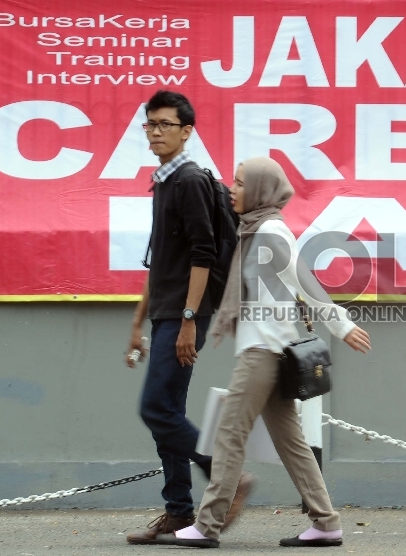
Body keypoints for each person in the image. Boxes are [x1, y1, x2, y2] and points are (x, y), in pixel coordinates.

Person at [155, 157, 372, 549]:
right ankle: (325, 522)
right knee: (291, 443)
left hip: (263, 352)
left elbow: (304, 281)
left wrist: (341, 324)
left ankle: (206, 526)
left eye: (239, 183)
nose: (232, 189)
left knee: (228, 436)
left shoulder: (270, 232)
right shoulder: (252, 232)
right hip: (268, 351)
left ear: (258, 189)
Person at [124, 90, 250, 544]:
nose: (156, 132)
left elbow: (202, 254)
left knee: (155, 408)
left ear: (186, 131)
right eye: (150, 125)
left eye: (165, 125)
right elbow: (159, 261)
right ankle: (178, 511)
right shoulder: (164, 181)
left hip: (185, 313)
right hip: (168, 311)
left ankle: (224, 476)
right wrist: (139, 323)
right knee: (166, 415)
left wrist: (190, 318)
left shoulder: (191, 180)